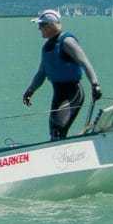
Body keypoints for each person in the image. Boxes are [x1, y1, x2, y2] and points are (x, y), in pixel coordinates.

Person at [22, 10, 100, 140]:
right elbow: (41, 73)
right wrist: (30, 90)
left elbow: (84, 62)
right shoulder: (47, 47)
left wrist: (95, 84)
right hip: (58, 94)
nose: (39, 28)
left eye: (41, 25)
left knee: (58, 128)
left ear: (50, 25)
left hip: (72, 93)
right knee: (54, 131)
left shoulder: (67, 41)